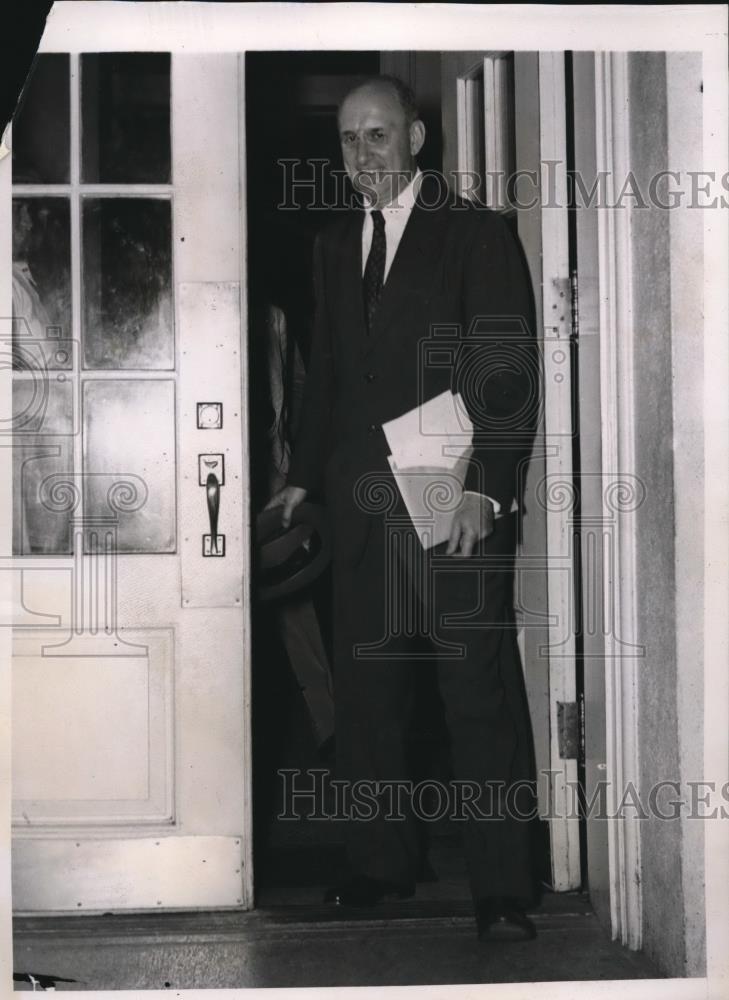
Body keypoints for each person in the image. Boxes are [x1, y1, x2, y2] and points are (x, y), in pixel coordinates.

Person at [267, 75, 540, 942]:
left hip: (449, 498)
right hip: (358, 505)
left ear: (416, 140)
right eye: (349, 140)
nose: (362, 156)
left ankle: (502, 886)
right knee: (368, 696)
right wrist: (305, 476)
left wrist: (485, 489)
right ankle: (376, 864)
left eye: (378, 136)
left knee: (475, 695)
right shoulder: (330, 244)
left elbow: (502, 373)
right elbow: (333, 382)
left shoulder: (475, 235)